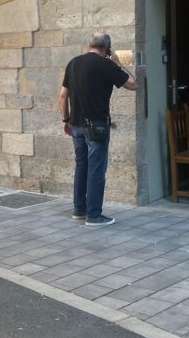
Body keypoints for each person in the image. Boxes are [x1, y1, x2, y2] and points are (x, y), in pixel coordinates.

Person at [58, 32, 138, 226]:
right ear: (107, 48)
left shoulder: (73, 63)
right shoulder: (107, 65)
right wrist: (117, 63)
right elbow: (134, 85)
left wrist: (66, 120)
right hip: (97, 127)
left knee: (81, 167)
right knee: (96, 170)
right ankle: (94, 215)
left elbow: (62, 96)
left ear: (91, 45)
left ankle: (79, 210)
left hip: (75, 125)